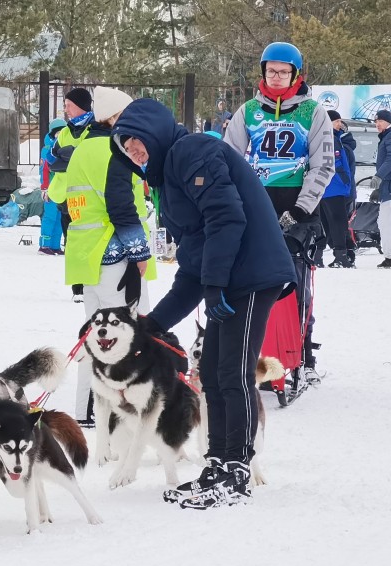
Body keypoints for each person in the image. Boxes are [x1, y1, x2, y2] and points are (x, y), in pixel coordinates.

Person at [111, 98, 297, 508]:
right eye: (127, 149)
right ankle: (219, 461)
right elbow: (194, 263)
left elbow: (227, 218)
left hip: (250, 274)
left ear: (155, 133)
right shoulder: (168, 178)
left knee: (233, 372)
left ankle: (237, 469)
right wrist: (153, 323)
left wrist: (215, 286)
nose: (135, 153)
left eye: (138, 143)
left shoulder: (192, 151)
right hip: (228, 277)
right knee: (211, 371)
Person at [224, 41, 334, 383]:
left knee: (295, 284)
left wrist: (302, 209)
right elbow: (228, 158)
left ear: (296, 75)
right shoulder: (248, 111)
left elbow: (323, 165)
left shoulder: (313, 112)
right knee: (250, 282)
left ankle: (301, 352)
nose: (276, 77)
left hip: (298, 209)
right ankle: (251, 351)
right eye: (270, 70)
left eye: (283, 72)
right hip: (257, 207)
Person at [63, 86, 153, 426]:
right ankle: (118, 411)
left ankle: (86, 408)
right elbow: (123, 208)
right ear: (115, 118)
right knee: (125, 336)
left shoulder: (81, 149)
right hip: (117, 255)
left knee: (94, 335)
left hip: (88, 256)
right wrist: (139, 253)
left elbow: (60, 194)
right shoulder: (114, 151)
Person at [46, 88, 95, 302]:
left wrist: (68, 156)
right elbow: (52, 159)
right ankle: (78, 288)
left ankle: (91, 284)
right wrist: (69, 156)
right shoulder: (66, 131)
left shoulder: (94, 129)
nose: (65, 109)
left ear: (80, 105)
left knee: (88, 243)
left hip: (88, 199)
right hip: (65, 197)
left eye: (68, 105)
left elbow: (88, 159)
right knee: (71, 243)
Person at [317, 110, 356, 268]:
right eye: (336, 121)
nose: (339, 124)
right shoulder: (330, 139)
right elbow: (337, 163)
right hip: (334, 186)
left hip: (327, 187)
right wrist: (345, 180)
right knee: (336, 222)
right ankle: (341, 255)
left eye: (340, 121)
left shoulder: (333, 138)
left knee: (327, 222)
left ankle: (325, 255)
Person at [38, 117, 66, 255]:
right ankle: (44, 245)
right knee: (50, 217)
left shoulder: (65, 149)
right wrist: (44, 188)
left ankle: (55, 245)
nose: (60, 135)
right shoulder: (48, 150)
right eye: (57, 133)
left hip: (61, 189)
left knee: (60, 218)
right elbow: (44, 170)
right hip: (51, 189)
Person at [373, 109, 391, 268]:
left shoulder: (390, 136)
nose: (377, 124)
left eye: (380, 121)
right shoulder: (385, 136)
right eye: (375, 121)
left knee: (386, 223)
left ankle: (390, 257)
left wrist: (378, 176)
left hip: (389, 188)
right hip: (386, 188)